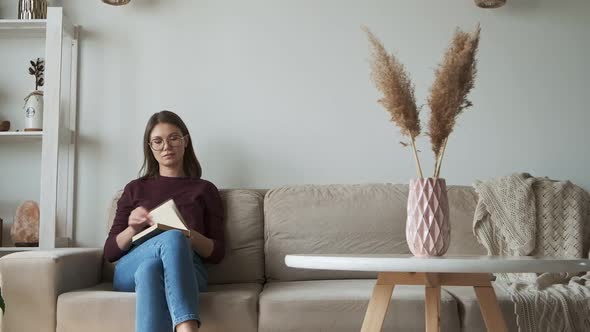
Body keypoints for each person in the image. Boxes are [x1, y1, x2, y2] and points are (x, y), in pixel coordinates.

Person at [103, 110, 225, 332]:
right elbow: (110, 252)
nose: (166, 146)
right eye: (157, 141)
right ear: (150, 147)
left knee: (152, 269)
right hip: (133, 263)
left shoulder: (205, 189)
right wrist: (133, 228)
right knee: (164, 245)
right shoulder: (134, 189)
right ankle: (187, 327)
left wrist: (187, 233)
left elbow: (217, 253)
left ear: (185, 141)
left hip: (190, 268)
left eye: (173, 138)